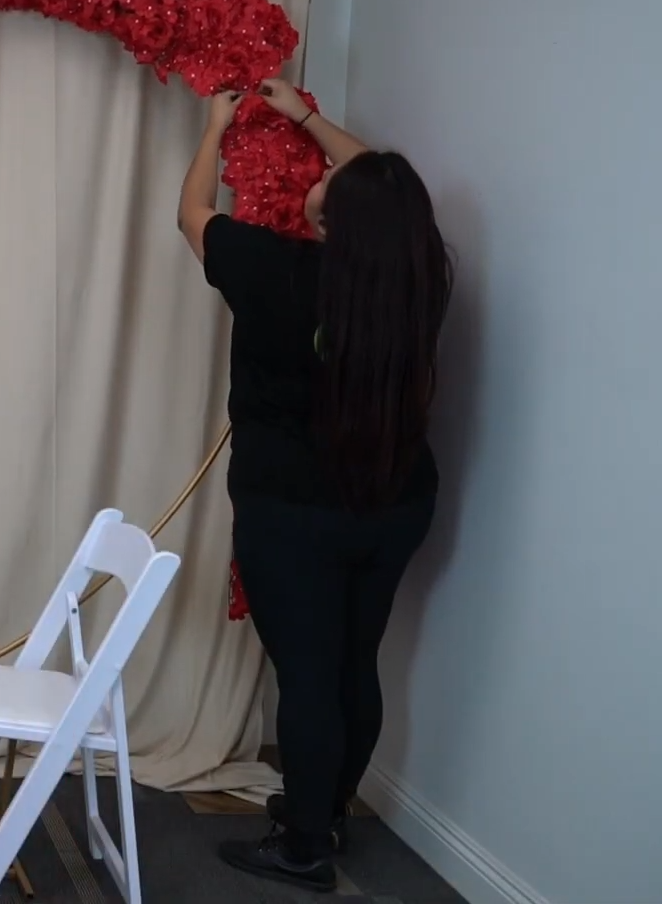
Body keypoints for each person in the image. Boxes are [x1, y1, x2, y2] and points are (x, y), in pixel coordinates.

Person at [176, 81, 455, 893]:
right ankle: (327, 811)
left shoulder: (277, 270)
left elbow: (192, 213)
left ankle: (303, 848)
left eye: (329, 177)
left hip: (291, 511)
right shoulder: (418, 280)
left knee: (305, 676)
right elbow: (377, 183)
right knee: (350, 663)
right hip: (394, 504)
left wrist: (215, 129)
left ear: (333, 214)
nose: (325, 171)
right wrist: (302, 119)